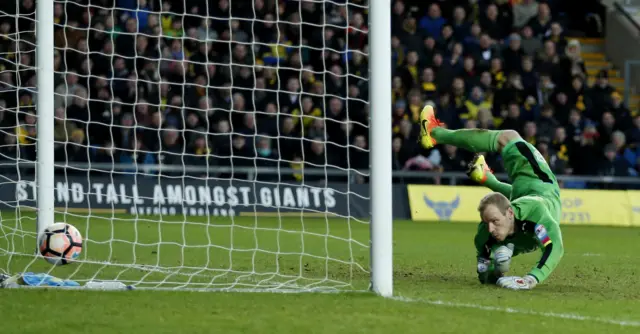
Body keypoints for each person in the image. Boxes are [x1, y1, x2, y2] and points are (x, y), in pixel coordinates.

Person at [419, 105, 565, 290]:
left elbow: (555, 248)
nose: (490, 228)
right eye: (487, 222)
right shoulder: (489, 232)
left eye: (494, 221)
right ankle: (439, 137)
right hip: (535, 196)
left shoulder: (535, 212)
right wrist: (495, 272)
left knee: (509, 137)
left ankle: (436, 134)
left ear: (510, 213)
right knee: (508, 137)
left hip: (534, 191)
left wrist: (529, 279)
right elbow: (484, 275)